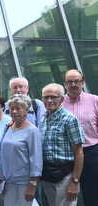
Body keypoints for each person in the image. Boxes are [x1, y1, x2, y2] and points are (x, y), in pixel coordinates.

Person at [40, 83, 84, 206]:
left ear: (62, 99)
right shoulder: (43, 119)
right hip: (48, 174)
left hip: (66, 175)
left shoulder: (70, 120)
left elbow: (79, 153)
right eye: (46, 97)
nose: (49, 100)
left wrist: (75, 182)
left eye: (53, 97)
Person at [62, 69, 98, 205]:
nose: (73, 84)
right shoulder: (58, 103)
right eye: (69, 82)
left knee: (92, 193)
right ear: (64, 84)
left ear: (82, 83)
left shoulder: (95, 101)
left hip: (91, 153)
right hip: (67, 154)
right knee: (66, 194)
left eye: (77, 81)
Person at [0, 94, 42, 206]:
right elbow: (4, 155)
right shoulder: (8, 127)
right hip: (9, 182)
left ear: (26, 110)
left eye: (18, 108)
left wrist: (32, 185)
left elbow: (36, 159)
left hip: (25, 183)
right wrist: (2, 179)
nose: (14, 112)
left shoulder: (32, 131)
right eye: (12, 108)